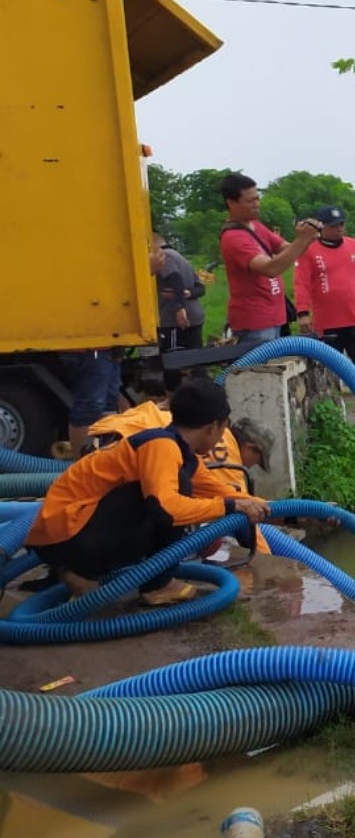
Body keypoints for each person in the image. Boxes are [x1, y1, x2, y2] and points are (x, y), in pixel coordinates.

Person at [24, 379, 268, 606]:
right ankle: (157, 585)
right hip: (67, 538)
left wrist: (255, 505)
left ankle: (78, 572)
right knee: (171, 495)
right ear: (214, 426)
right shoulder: (161, 446)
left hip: (67, 534)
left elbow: (222, 492)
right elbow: (168, 508)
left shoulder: (178, 451)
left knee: (180, 487)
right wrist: (229, 508)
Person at [218, 172, 319, 343]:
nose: (256, 204)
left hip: (275, 317)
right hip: (255, 322)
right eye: (250, 201)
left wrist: (307, 239)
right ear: (231, 203)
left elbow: (287, 249)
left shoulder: (254, 225)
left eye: (257, 198)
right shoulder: (234, 237)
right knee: (262, 369)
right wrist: (302, 240)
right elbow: (270, 268)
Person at [293, 206, 355, 372]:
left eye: (341, 223)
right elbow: (301, 282)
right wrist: (303, 312)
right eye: (334, 225)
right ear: (322, 226)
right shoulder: (309, 250)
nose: (339, 228)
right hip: (327, 322)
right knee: (330, 370)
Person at [150, 233, 206, 390]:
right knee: (195, 359)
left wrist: (178, 308)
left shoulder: (164, 256)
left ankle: (174, 397)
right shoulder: (182, 258)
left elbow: (174, 279)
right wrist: (188, 293)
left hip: (174, 320)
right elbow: (200, 288)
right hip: (195, 317)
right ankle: (200, 391)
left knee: (173, 361)